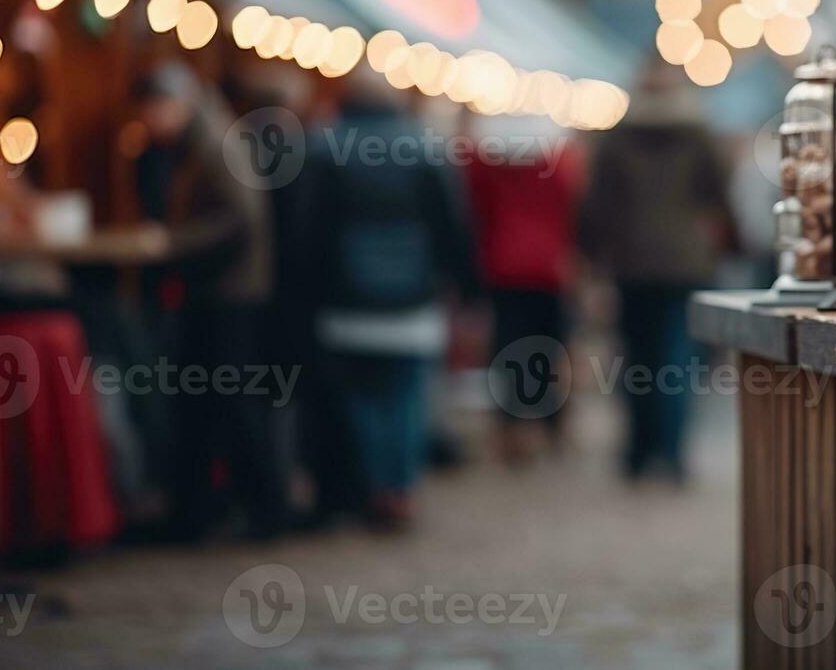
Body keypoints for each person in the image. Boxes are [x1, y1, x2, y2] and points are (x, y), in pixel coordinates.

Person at [293, 65, 479, 531]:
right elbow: (453, 224)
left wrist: (307, 291)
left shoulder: (324, 145)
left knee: (359, 397)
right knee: (406, 395)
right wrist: (464, 285)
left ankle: (372, 485)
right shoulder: (425, 145)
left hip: (345, 297)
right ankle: (399, 487)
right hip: (412, 294)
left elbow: (307, 229)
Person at [131, 63, 286, 541]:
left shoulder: (215, 142)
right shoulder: (200, 141)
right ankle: (207, 509)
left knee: (230, 401)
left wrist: (173, 243)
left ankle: (259, 509)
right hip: (221, 291)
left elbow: (239, 219)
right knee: (206, 402)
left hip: (230, 294)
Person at [578, 65, 733, 482]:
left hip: (631, 262)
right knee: (677, 361)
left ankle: (638, 451)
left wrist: (590, 259)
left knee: (636, 362)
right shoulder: (697, 134)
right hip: (685, 263)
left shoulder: (617, 137)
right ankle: (671, 452)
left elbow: (596, 205)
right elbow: (719, 195)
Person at [465, 125, 582, 463]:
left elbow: (476, 211)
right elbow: (572, 206)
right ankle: (549, 423)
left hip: (503, 265)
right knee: (549, 348)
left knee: (508, 349)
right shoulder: (558, 162)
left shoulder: (484, 163)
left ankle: (513, 427)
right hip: (548, 267)